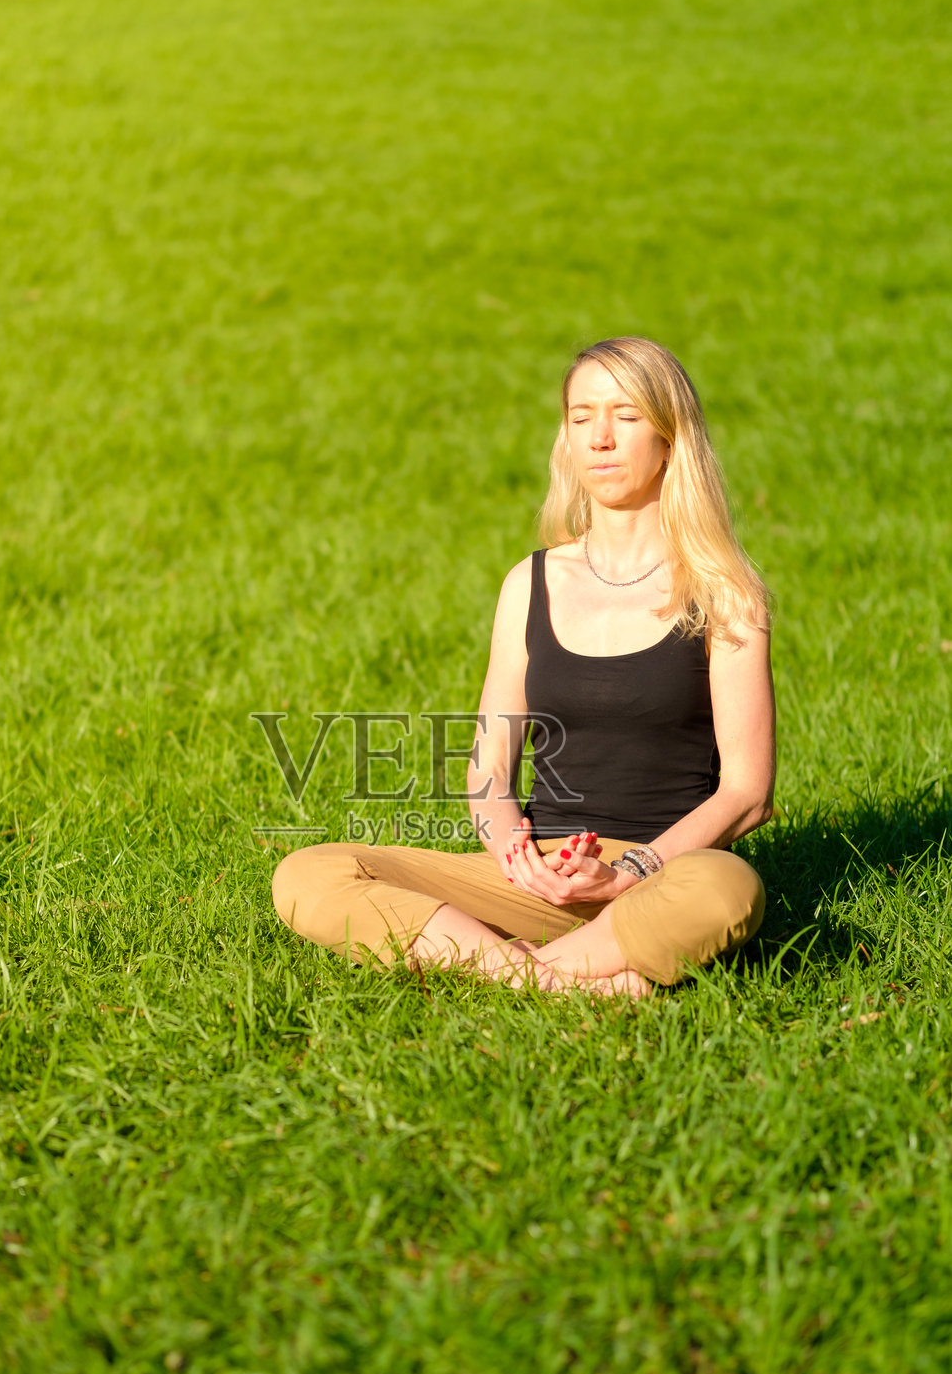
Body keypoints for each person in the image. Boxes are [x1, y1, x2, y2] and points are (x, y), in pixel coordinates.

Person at [272, 337, 775, 995]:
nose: (599, 437)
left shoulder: (723, 592)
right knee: (308, 871)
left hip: (660, 876)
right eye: (579, 417)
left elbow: (746, 793)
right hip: (534, 873)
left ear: (668, 436)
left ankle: (498, 963)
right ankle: (557, 978)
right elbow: (488, 771)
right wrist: (517, 859)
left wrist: (629, 873)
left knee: (728, 888)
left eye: (624, 416)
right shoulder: (530, 583)